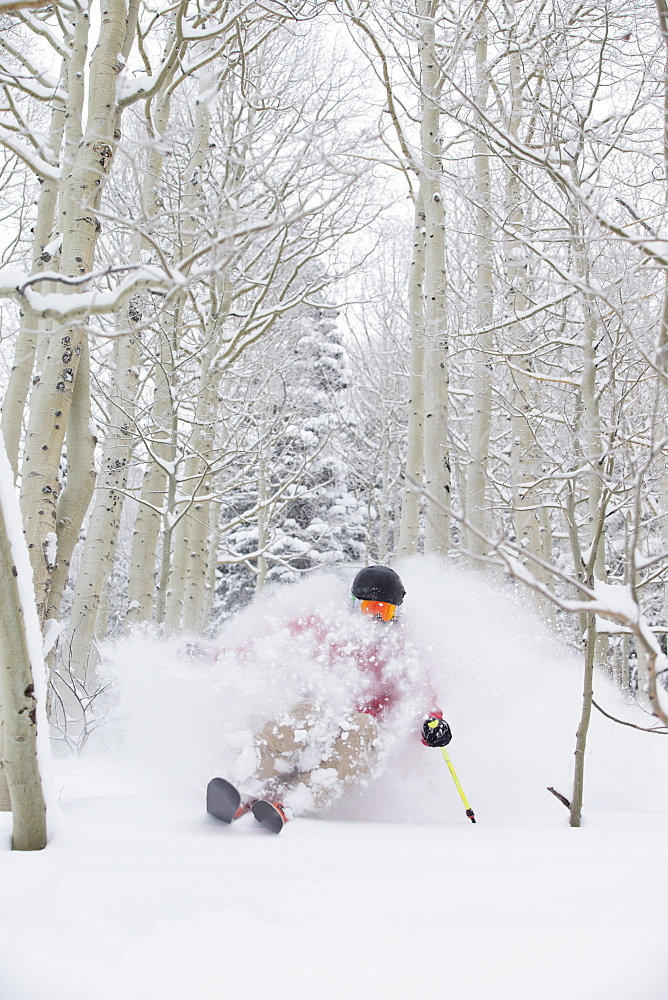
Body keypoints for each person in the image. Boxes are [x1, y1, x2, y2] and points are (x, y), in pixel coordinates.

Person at [207, 565, 452, 831]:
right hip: (311, 729)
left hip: (355, 742)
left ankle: (294, 800)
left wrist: (433, 723)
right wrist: (219, 656)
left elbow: (419, 695)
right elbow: (272, 646)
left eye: (385, 611)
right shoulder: (326, 626)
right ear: (353, 604)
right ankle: (246, 781)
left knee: (362, 725)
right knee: (314, 710)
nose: (375, 618)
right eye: (369, 609)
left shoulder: (400, 651)